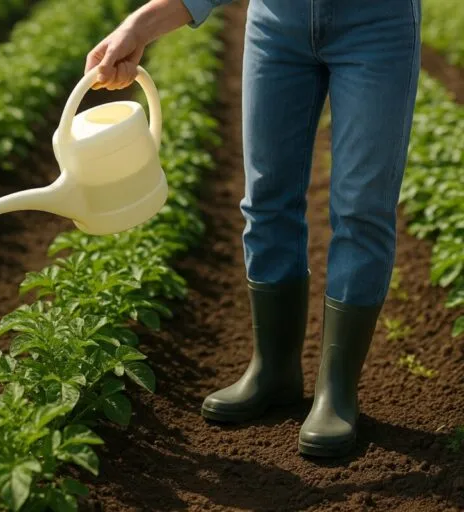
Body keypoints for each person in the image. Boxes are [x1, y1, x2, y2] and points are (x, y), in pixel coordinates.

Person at [85, 0, 420, 458]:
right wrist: (139, 26)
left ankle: (337, 392)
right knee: (266, 199)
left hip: (376, 24)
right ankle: (274, 371)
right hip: (277, 23)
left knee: (361, 207)